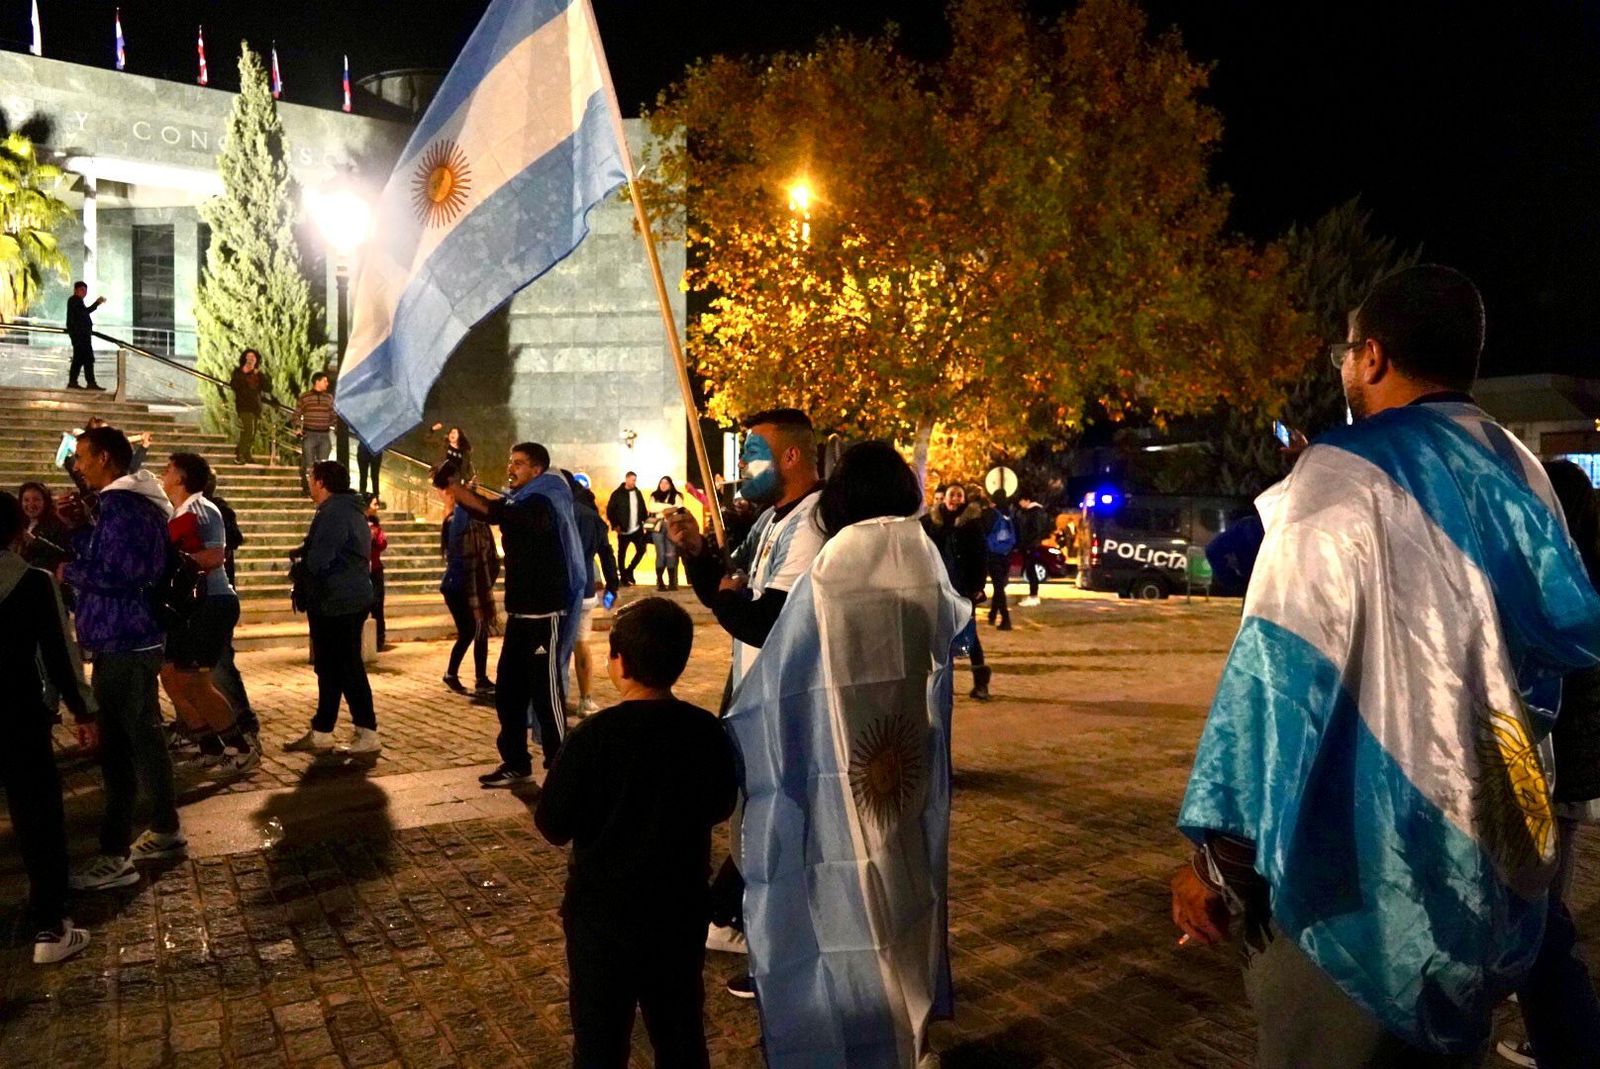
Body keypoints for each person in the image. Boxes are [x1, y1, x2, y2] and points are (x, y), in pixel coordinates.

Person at [1171, 265, 1600, 1067]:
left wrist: (1218, 861)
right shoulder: (1525, 474)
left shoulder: (1342, 475)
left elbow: (1277, 683)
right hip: (1490, 868)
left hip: (1360, 880)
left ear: (1370, 356)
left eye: (1345, 350)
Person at [724, 441, 963, 1065]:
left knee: (847, 885)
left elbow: (786, 657)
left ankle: (856, 1022)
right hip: (903, 752)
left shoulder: (840, 558)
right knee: (903, 878)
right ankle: (914, 1032)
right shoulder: (921, 550)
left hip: (841, 755)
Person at [535, 597, 737, 1069]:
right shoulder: (703, 731)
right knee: (680, 1031)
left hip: (603, 918)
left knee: (600, 1040)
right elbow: (720, 804)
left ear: (620, 663)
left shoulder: (592, 737)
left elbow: (552, 825)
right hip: (679, 909)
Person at [664, 407, 825, 978]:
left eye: (755, 451)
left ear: (791, 457)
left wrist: (733, 598)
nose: (744, 464)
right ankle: (729, 912)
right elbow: (727, 597)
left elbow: (769, 621)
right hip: (751, 691)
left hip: (785, 698)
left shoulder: (811, 526)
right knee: (751, 813)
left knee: (774, 817)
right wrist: (698, 554)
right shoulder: (767, 522)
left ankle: (775, 936)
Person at [1497, 460, 1600, 1068]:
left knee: (1541, 905)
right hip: (1581, 766)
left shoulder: (1553, 576)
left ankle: (1553, 1034)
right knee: (1548, 891)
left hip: (1546, 762)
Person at [58, 426, 184, 892]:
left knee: (116, 751)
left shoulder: (124, 506)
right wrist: (79, 533)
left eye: (84, 457)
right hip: (132, 637)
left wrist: (71, 570)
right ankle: (167, 828)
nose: (77, 466)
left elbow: (126, 572)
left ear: (107, 458)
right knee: (147, 737)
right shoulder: (124, 504)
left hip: (123, 639)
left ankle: (115, 855)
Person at [439, 441, 584, 789]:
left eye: (518, 463)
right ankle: (516, 762)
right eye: (510, 461)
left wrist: (459, 489)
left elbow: (512, 516)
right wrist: (454, 488)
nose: (511, 468)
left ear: (537, 469)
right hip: (520, 616)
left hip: (544, 616)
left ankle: (560, 765)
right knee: (508, 693)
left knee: (546, 696)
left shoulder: (547, 500)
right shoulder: (522, 499)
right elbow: (489, 511)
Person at [0, 492, 96, 963]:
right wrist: (83, 710)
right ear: (19, 531)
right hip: (18, 714)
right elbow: (61, 654)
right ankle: (50, 926)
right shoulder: (33, 582)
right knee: (38, 818)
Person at [160, 452, 257, 775]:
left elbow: (215, 555)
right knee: (172, 675)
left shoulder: (202, 509)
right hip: (189, 605)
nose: (164, 472)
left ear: (182, 477)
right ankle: (209, 745)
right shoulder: (179, 511)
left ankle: (239, 747)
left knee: (196, 682)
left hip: (210, 601)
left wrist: (172, 566)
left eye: (169, 468)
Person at [283, 461, 379, 756]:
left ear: (322, 481)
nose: (309, 482)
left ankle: (367, 731)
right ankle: (323, 730)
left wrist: (303, 564)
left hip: (338, 601)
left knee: (346, 666)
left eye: (311, 477)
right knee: (331, 667)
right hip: (340, 598)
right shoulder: (343, 509)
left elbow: (321, 558)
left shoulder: (336, 512)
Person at [923, 482, 992, 700]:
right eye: (951, 495)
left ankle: (981, 684)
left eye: (958, 495)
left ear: (964, 499)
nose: (954, 499)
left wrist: (978, 587)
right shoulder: (929, 523)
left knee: (969, 636)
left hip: (963, 589)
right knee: (939, 638)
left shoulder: (972, 525)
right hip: (936, 589)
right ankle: (942, 684)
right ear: (943, 498)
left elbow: (982, 557)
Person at [205, 476, 258, 741]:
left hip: (214, 597)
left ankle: (242, 719)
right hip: (204, 598)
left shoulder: (216, 513)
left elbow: (227, 545)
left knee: (221, 661)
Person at [565, 470, 620, 719]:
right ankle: (585, 700)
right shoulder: (592, 518)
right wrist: (612, 586)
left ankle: (555, 698)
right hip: (585, 589)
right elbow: (606, 555)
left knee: (557, 646)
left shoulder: (559, 511)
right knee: (582, 644)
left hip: (559, 588)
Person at [439, 486, 500, 695]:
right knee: (469, 631)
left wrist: (487, 581)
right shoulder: (454, 522)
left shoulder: (481, 526)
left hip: (476, 586)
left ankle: (480, 678)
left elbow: (492, 558)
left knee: (479, 630)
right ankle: (452, 674)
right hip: (458, 586)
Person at [294, 373, 336, 495]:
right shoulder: (305, 397)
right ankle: (308, 488)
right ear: (317, 382)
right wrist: (297, 427)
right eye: (325, 381)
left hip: (324, 435)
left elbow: (333, 415)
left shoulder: (328, 398)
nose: (327, 384)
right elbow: (297, 413)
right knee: (309, 464)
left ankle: (320, 489)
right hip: (309, 434)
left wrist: (337, 426)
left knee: (323, 465)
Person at [606, 472, 648, 586]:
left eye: (635, 480)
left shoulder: (637, 493)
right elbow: (610, 510)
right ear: (627, 479)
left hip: (637, 528)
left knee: (641, 550)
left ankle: (629, 570)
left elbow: (642, 508)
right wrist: (615, 525)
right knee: (622, 553)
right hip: (623, 529)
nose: (634, 482)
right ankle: (623, 577)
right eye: (632, 480)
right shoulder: (617, 494)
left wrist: (646, 522)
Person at [983, 488, 1016, 630]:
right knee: (999, 586)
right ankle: (992, 615)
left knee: (998, 587)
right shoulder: (1008, 513)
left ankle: (1005, 620)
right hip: (1006, 552)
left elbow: (984, 532)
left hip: (993, 553)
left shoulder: (991, 514)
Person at [19, 480, 71, 571]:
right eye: (26, 500)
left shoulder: (57, 524)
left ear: (45, 502)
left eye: (36, 500)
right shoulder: (19, 524)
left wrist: (34, 541)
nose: (31, 505)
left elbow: (64, 554)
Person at [64, 281, 106, 391]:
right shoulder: (74, 300)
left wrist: (96, 303)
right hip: (80, 336)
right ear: (76, 290)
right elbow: (84, 313)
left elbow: (84, 313)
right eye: (82, 290)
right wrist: (97, 303)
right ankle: (87, 382)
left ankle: (77, 382)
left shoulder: (77, 301)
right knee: (85, 358)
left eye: (85, 290)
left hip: (82, 335)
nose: (84, 292)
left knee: (81, 359)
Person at [1013, 491, 1051, 606]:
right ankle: (1032, 595)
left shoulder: (1035, 512)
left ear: (1027, 500)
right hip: (1029, 545)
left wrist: (1030, 544)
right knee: (1029, 570)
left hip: (1031, 546)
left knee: (1031, 570)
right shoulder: (1032, 512)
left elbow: (1035, 530)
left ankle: (1034, 596)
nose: (1020, 504)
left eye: (1021, 501)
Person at [230, 349, 266, 464]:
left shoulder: (258, 373)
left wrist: (259, 374)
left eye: (253, 358)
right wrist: (243, 373)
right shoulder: (238, 372)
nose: (250, 360)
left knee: (253, 431)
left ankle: (246, 454)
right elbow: (234, 385)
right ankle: (239, 454)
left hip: (255, 406)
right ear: (244, 359)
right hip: (244, 406)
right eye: (248, 358)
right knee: (249, 430)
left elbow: (268, 387)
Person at [650, 475, 683, 590]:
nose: (663, 485)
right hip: (657, 526)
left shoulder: (677, 495)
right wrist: (670, 507)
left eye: (666, 483)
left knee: (671, 553)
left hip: (671, 526)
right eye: (661, 483)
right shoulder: (654, 495)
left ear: (670, 484)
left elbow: (680, 509)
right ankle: (660, 581)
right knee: (661, 553)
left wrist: (663, 509)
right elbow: (651, 508)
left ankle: (672, 582)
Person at [367, 503, 388, 650]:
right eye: (374, 504)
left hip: (375, 570)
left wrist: (374, 536)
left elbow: (382, 543)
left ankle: (379, 639)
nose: (376, 507)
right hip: (361, 571)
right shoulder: (357, 524)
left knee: (377, 606)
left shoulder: (376, 528)